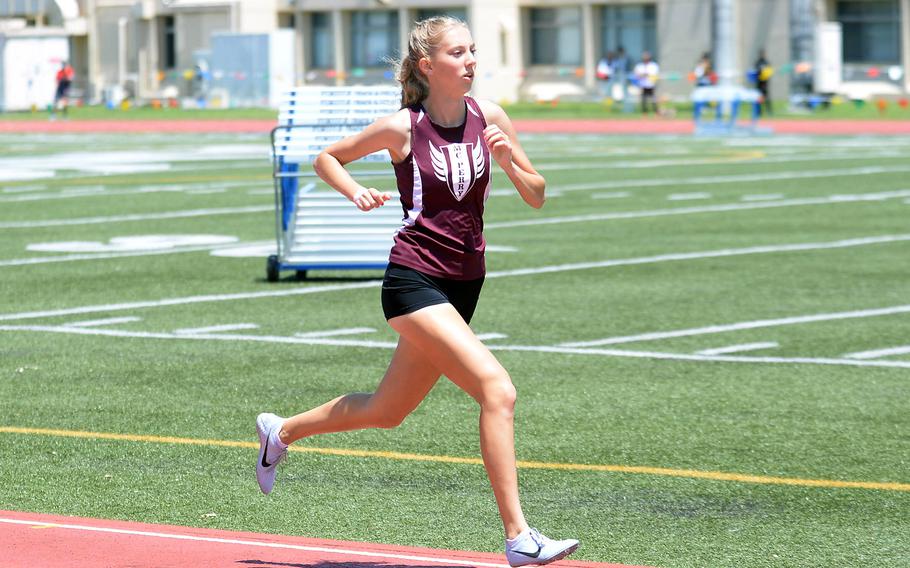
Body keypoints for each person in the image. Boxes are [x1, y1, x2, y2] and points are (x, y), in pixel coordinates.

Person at [255, 16, 579, 568]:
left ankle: (280, 431)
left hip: (466, 282)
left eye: (473, 50)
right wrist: (356, 191)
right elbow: (327, 157)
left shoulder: (490, 118)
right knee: (497, 390)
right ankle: (519, 537)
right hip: (413, 279)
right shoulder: (403, 128)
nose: (471, 60)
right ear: (429, 66)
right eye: (459, 53)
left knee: (387, 411)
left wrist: (509, 163)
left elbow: (538, 194)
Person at [754, 49, 773, 116]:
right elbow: (756, 72)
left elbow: (769, 72)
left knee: (766, 97)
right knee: (759, 97)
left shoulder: (766, 62)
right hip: (759, 83)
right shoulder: (758, 62)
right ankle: (759, 111)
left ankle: (769, 111)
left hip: (765, 83)